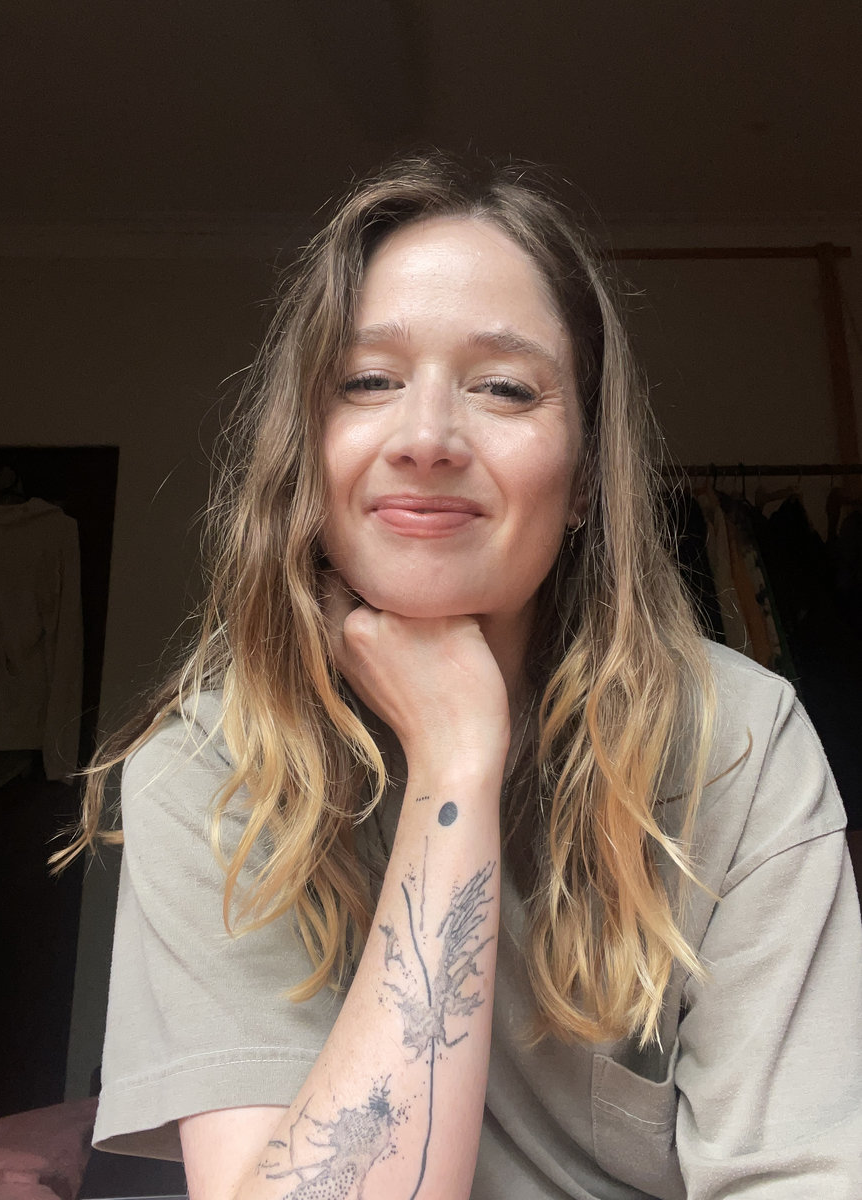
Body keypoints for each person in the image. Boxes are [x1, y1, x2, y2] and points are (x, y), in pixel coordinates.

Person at [61, 154, 862, 1200]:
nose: (428, 439)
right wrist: (454, 769)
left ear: (586, 475)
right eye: (367, 381)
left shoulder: (736, 744)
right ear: (307, 453)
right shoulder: (208, 773)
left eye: (504, 388)